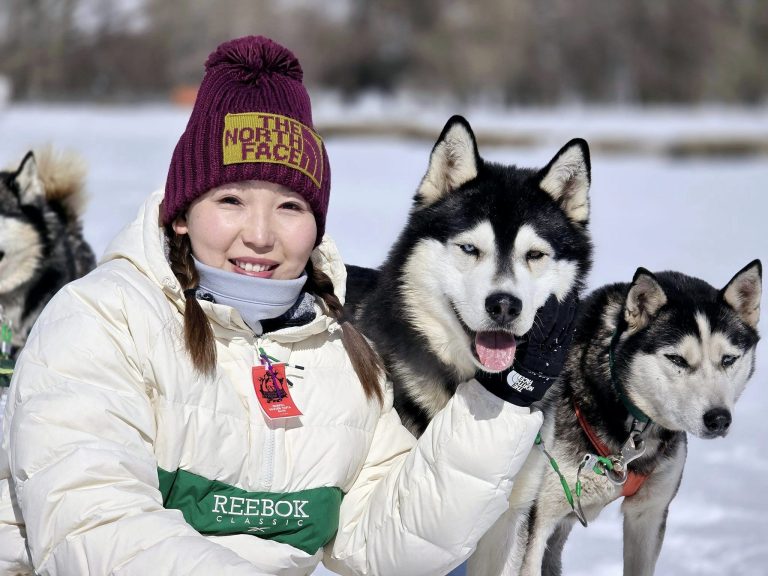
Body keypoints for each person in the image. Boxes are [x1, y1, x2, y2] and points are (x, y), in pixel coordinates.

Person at [0, 36, 576, 576]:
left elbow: (391, 541)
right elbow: (98, 531)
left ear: (317, 226)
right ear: (180, 213)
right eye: (230, 200)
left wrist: (497, 406)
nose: (259, 234)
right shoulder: (100, 322)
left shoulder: (338, 352)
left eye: (290, 207)